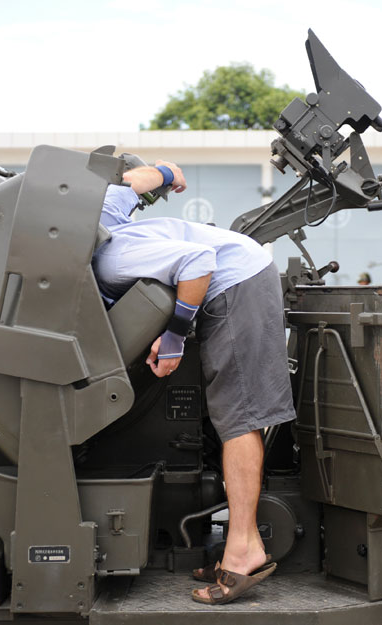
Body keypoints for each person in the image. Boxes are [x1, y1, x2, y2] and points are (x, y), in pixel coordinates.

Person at [92, 158, 295, 605]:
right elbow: (141, 178)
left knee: (238, 417)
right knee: (226, 417)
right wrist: (168, 173)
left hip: (237, 280)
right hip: (238, 270)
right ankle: (238, 542)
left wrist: (174, 338)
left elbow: (198, 261)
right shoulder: (98, 212)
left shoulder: (109, 259)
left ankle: (244, 550)